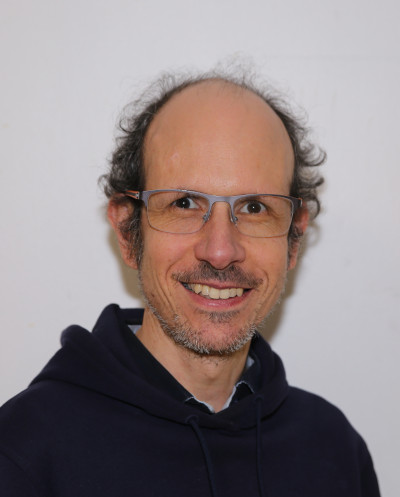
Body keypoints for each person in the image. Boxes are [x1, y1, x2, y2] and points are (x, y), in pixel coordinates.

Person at [0, 71, 380, 497]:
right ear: (127, 232)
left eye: (255, 208)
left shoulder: (334, 451)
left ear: (294, 238)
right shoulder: (22, 453)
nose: (220, 251)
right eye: (184, 203)